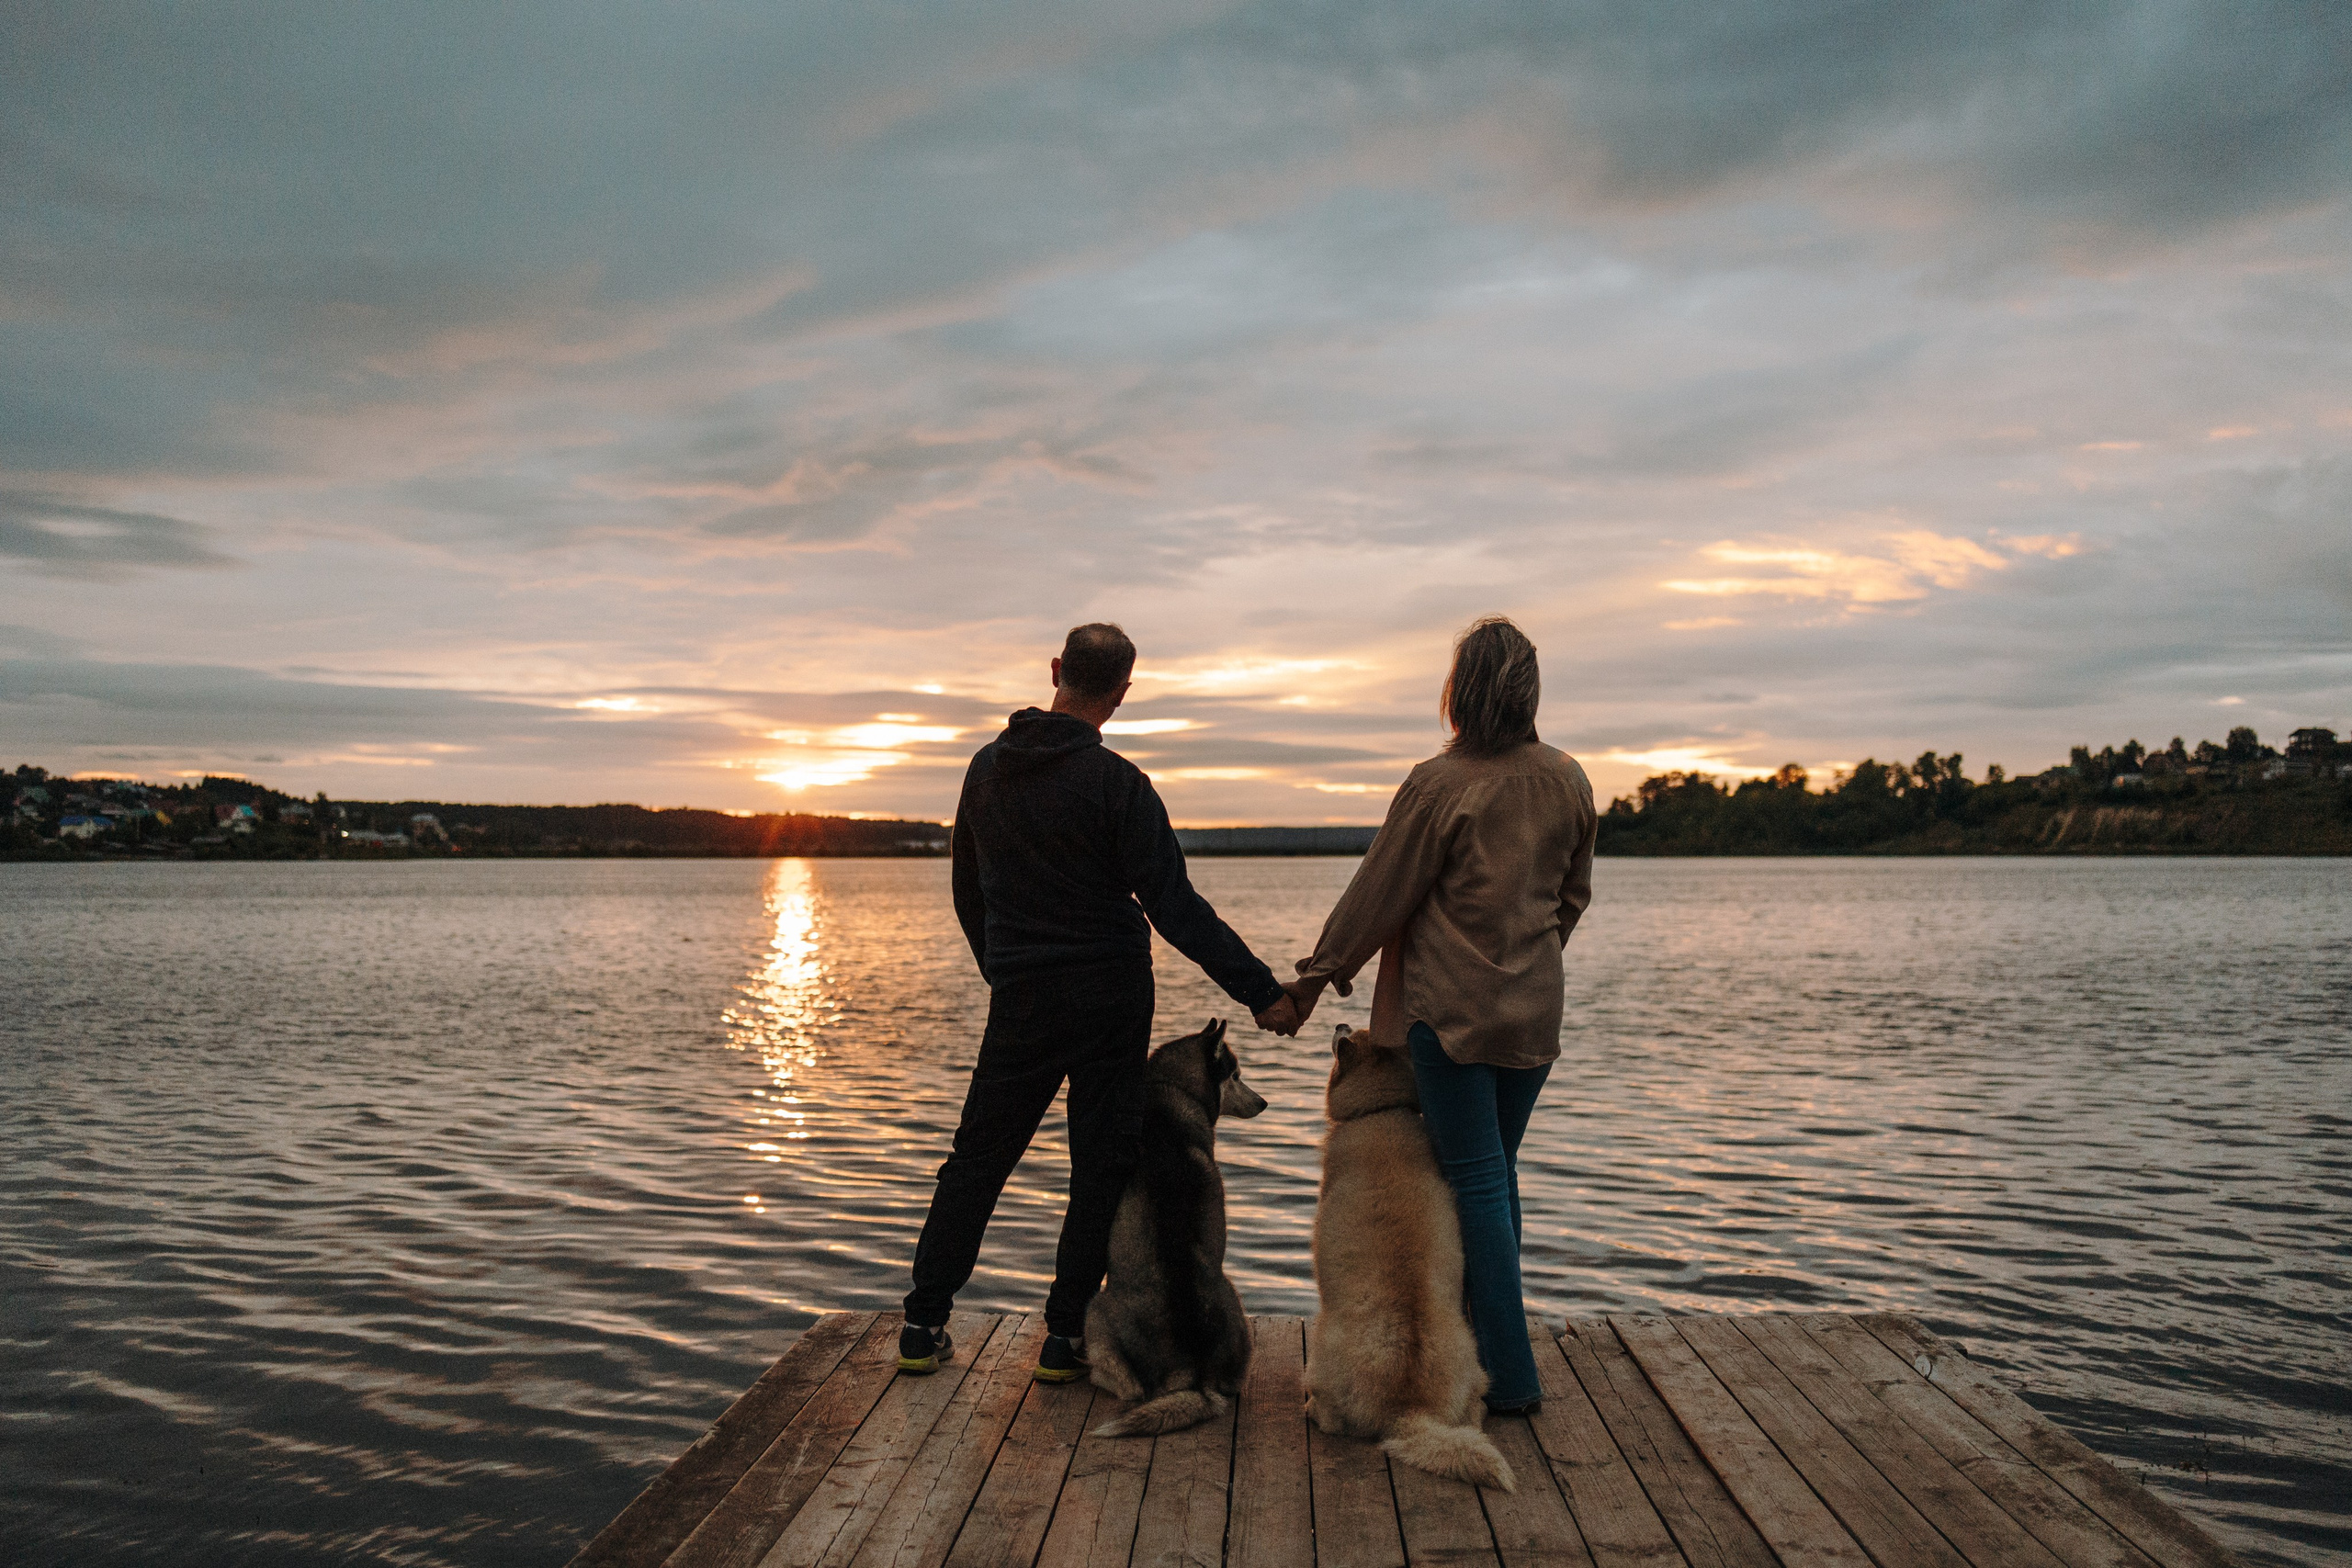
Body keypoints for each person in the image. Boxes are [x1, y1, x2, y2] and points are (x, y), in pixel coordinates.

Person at [899, 623, 1303, 1384]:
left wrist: (1006, 967)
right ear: (1120, 693)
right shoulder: (1120, 785)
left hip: (1022, 997)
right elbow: (1174, 905)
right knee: (1098, 1165)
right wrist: (1262, 994)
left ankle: (922, 1322)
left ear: (1056, 669)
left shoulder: (984, 773)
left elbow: (967, 892)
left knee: (978, 1158)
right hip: (1112, 999)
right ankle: (1063, 1340)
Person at [1282, 616, 1595, 1412]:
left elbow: (1379, 891)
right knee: (1495, 1180)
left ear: (1460, 689)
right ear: (1528, 689)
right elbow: (1572, 898)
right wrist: (1530, 959)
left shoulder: (1438, 783)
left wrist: (1319, 976)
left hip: (1449, 1021)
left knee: (1480, 1184)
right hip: (1531, 1018)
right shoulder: (1568, 779)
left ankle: (1510, 1380)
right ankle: (1480, 1356)